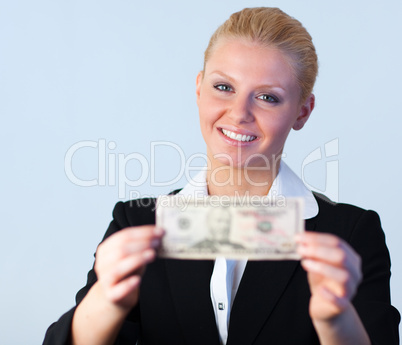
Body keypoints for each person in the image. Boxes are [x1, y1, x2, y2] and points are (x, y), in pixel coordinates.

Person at [43, 7, 400, 345]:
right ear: (199, 88)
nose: (239, 112)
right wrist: (107, 299)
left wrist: (335, 319)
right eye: (224, 87)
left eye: (267, 97)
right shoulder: (136, 222)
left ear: (302, 112)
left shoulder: (350, 235)